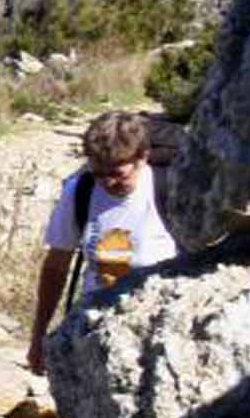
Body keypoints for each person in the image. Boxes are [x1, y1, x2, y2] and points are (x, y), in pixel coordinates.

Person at [26, 111, 178, 375]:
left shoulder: (170, 189)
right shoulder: (80, 191)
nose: (107, 182)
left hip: (159, 334)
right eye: (98, 173)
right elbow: (56, 266)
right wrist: (39, 336)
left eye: (117, 173)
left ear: (142, 157)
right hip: (92, 329)